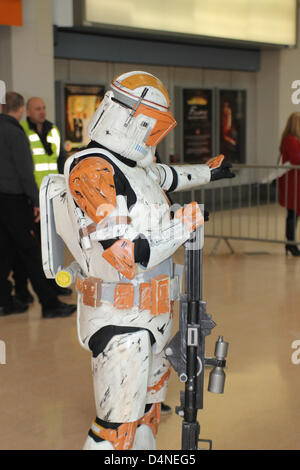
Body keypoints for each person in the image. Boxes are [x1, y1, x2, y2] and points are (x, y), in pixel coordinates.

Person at [41, 71, 234, 449]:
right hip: (119, 320)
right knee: (117, 427)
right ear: (132, 119)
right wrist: (183, 224)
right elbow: (126, 257)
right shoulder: (92, 170)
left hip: (156, 317)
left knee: (147, 413)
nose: (154, 138)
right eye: (152, 127)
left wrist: (207, 173)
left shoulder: (133, 165)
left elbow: (165, 177)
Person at [0, 91, 76, 318]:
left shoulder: (50, 130)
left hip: (14, 198)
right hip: (20, 199)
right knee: (32, 251)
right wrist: (35, 200)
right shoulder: (16, 132)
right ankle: (49, 303)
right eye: (37, 108)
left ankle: (4, 301)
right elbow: (25, 172)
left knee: (5, 252)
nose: (41, 112)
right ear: (22, 109)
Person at [278, 112, 300, 256]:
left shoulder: (290, 139)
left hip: (294, 181)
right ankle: (291, 243)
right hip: (293, 182)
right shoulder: (292, 140)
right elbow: (295, 160)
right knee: (293, 213)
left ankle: (290, 243)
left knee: (293, 213)